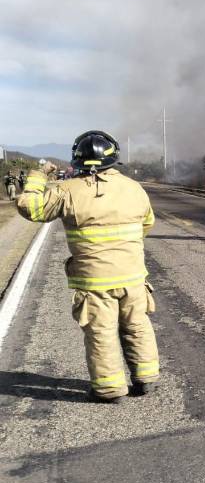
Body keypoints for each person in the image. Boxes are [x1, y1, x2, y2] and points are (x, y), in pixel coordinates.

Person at [16, 130, 159, 404]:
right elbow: (147, 224)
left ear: (78, 160)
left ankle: (109, 389)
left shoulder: (66, 191)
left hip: (95, 283)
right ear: (113, 157)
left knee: (101, 333)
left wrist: (38, 176)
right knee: (138, 325)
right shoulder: (134, 188)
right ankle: (146, 378)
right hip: (133, 277)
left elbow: (30, 208)